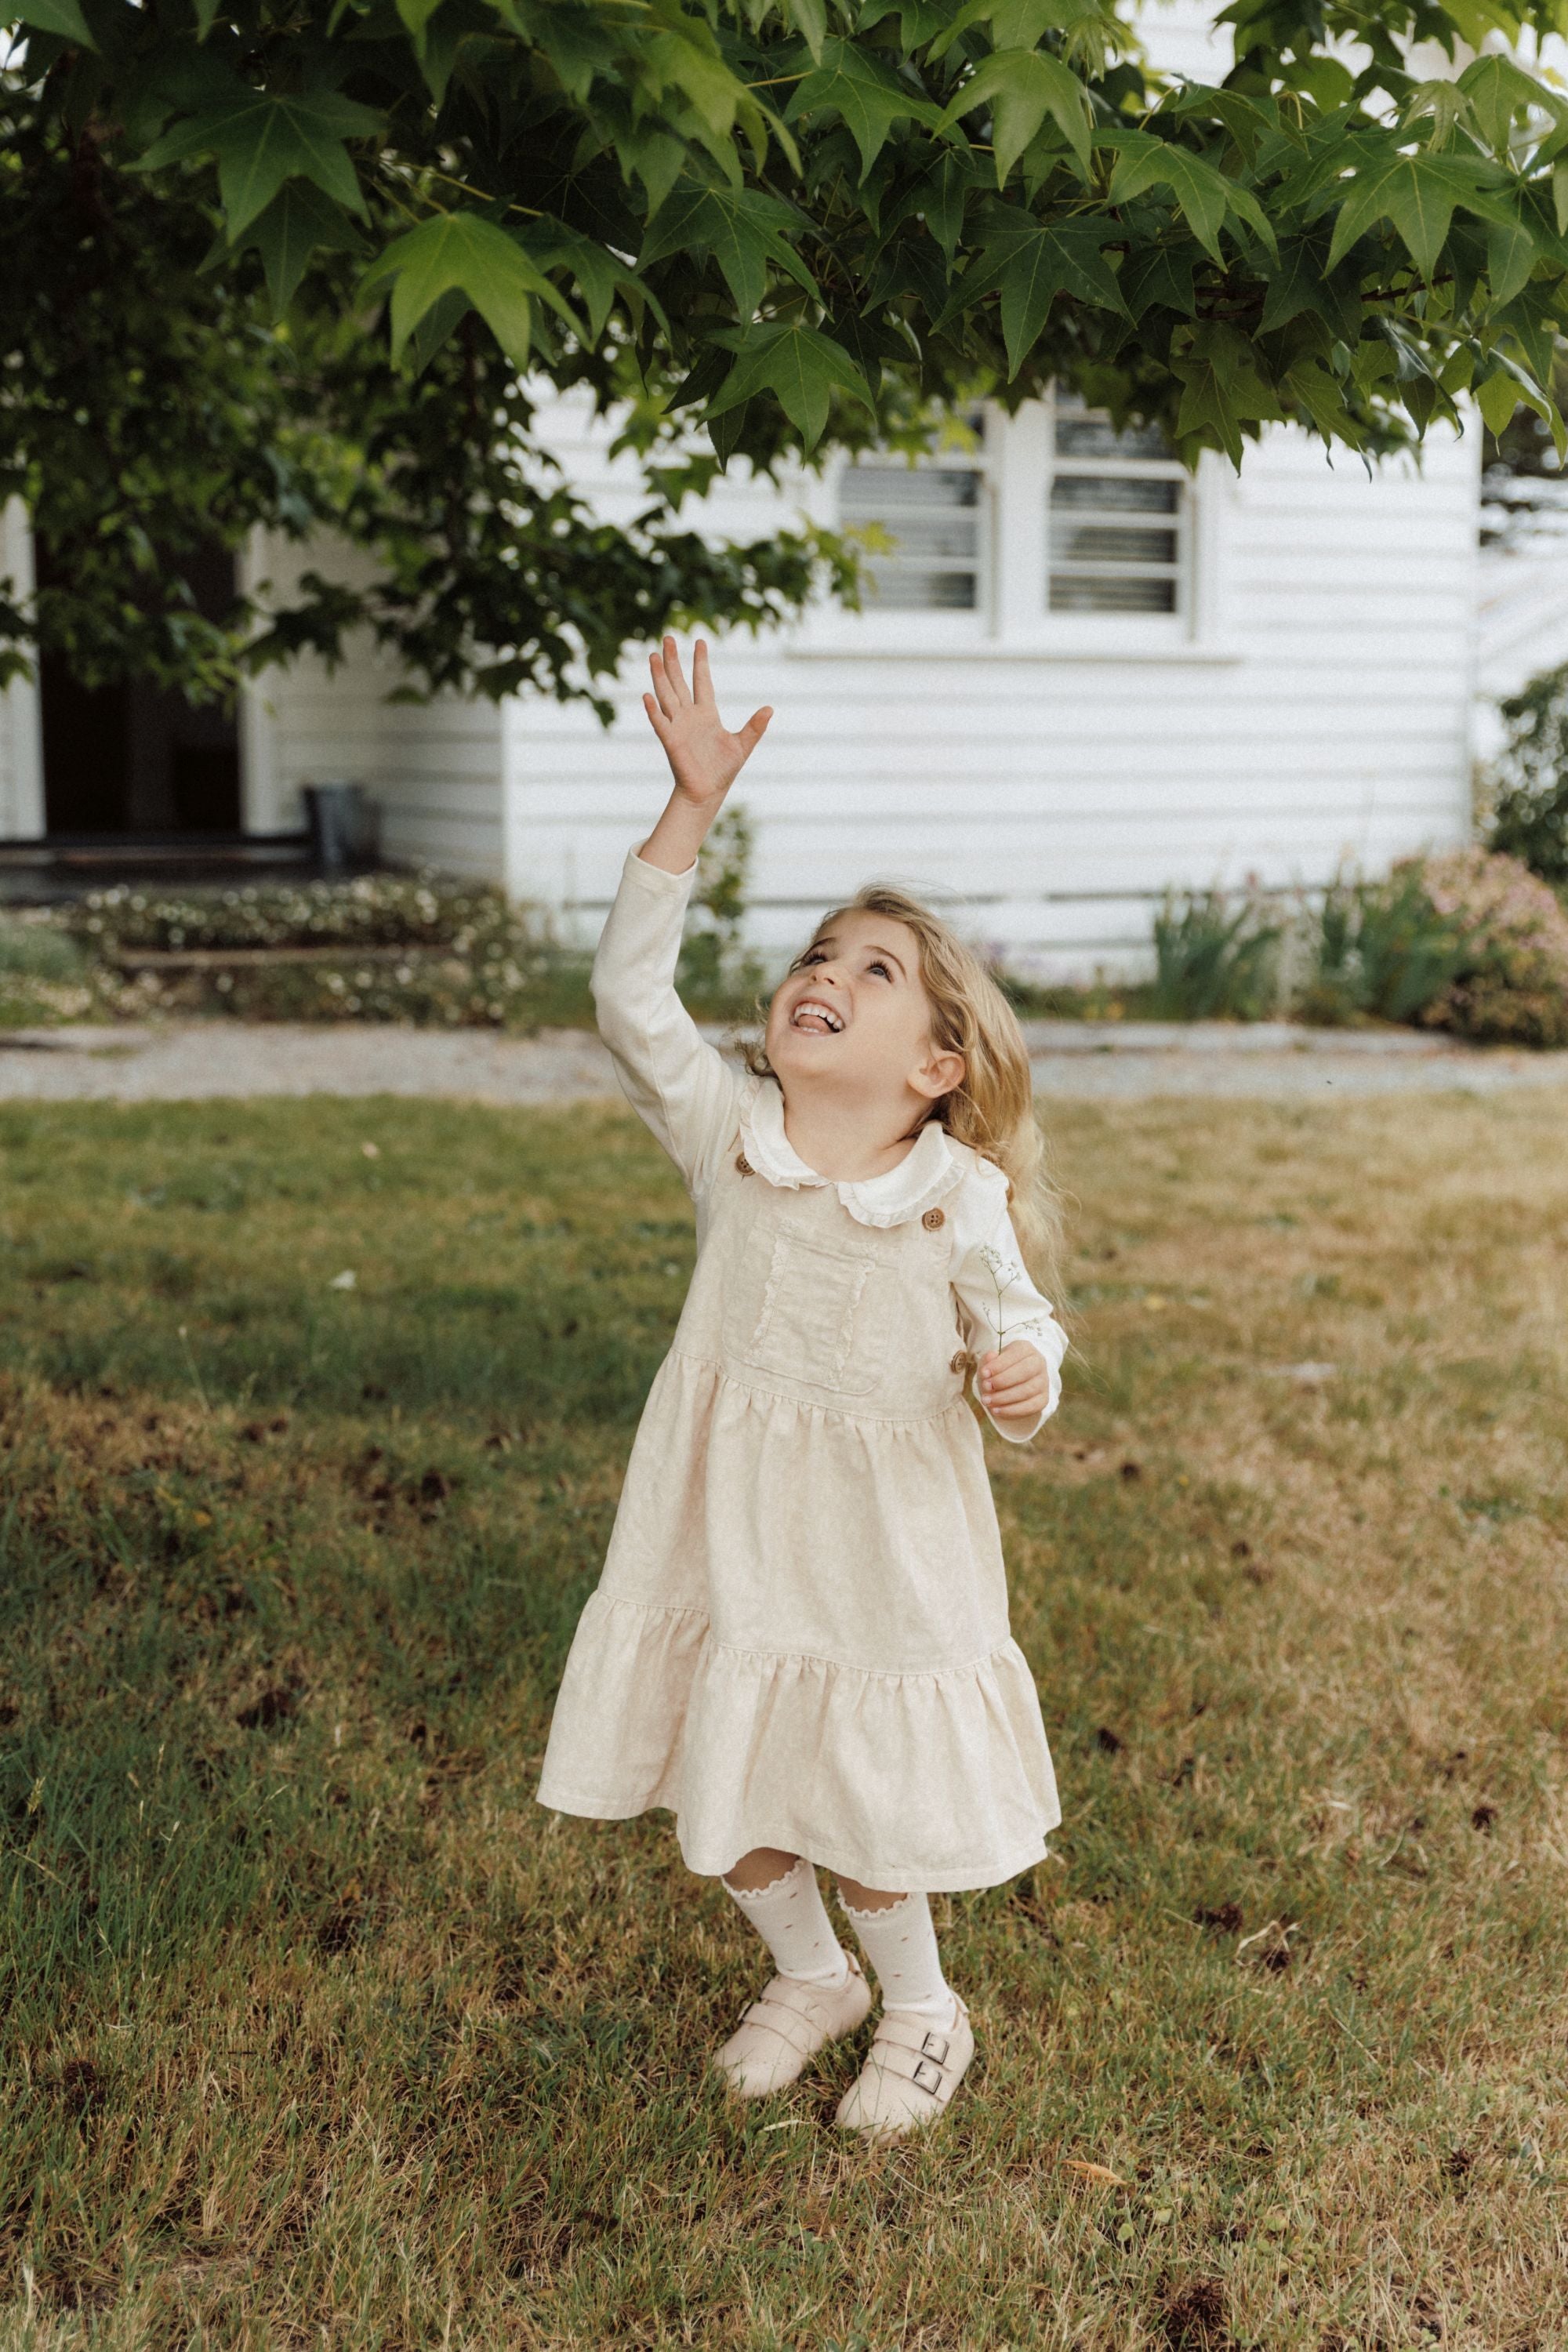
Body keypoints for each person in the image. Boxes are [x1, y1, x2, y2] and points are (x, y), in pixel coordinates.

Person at [536, 638, 1068, 2143]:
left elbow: (1020, 1334)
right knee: (731, 1804)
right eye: (817, 958)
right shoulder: (733, 1135)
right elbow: (630, 996)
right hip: (727, 1521)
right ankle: (813, 1978)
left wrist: (1022, 1379)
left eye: (873, 972)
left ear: (939, 1063)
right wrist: (688, 809)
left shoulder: (956, 1192)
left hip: (882, 1548)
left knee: (863, 1813)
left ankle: (917, 2005)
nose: (823, 977)